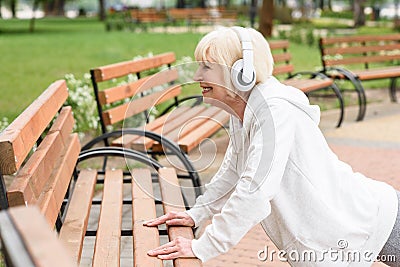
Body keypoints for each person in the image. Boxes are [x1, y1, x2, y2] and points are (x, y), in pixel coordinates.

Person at [144, 26, 399, 266]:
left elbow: (254, 190)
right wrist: (198, 213)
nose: (198, 76)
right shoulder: (242, 112)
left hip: (371, 218)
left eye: (207, 67)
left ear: (241, 73)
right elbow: (233, 173)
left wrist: (204, 246)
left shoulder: (275, 112)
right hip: (338, 227)